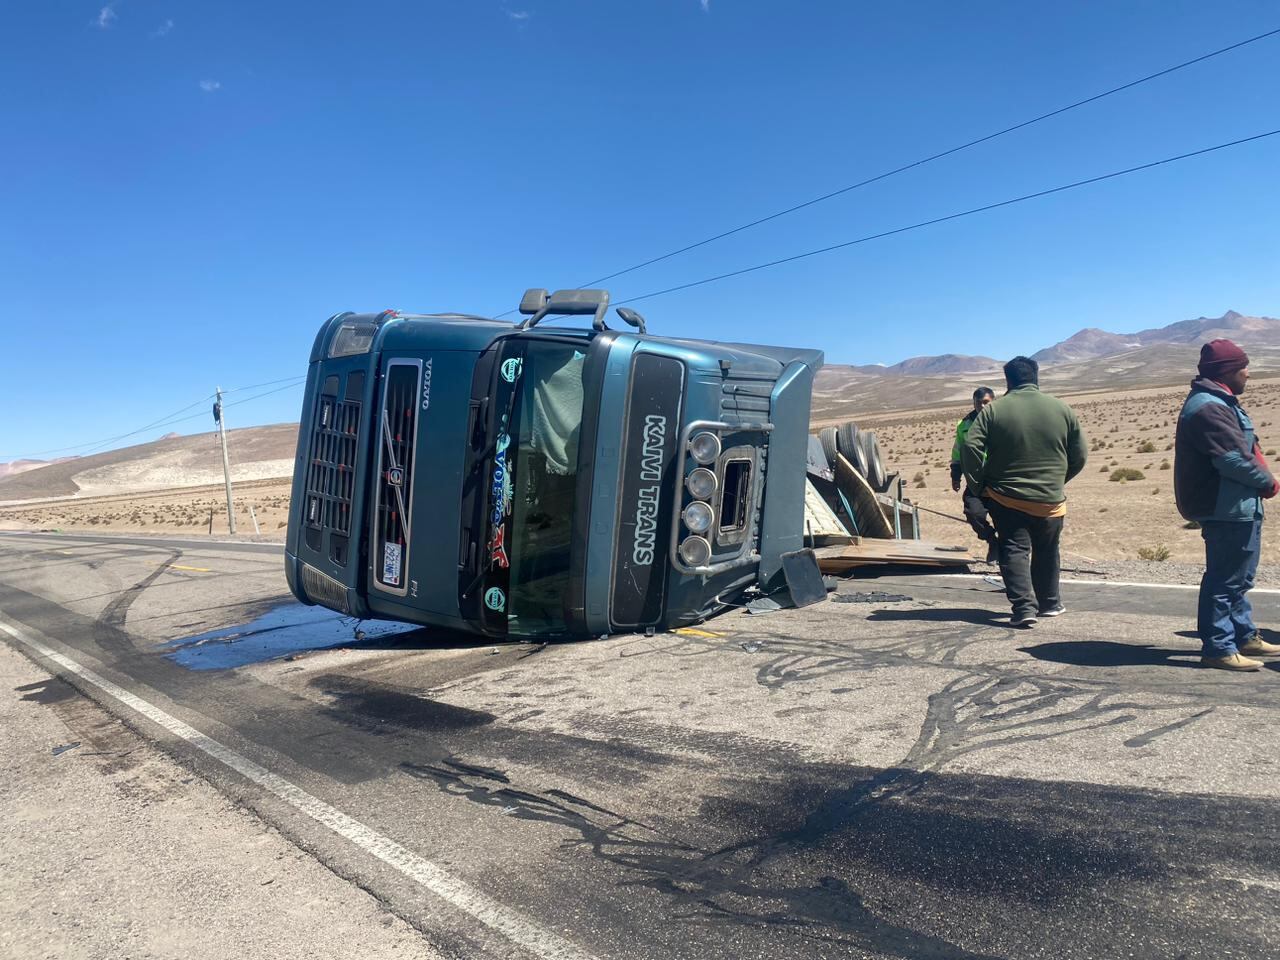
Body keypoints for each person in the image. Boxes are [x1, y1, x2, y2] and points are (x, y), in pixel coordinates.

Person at [1174, 339, 1280, 671]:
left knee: (1238, 576)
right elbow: (1232, 459)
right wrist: (1268, 482)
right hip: (1226, 506)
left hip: (1234, 503)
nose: (1248, 374)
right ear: (1228, 371)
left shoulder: (1220, 402)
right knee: (1226, 578)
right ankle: (1219, 647)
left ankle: (1243, 635)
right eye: (1244, 367)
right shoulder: (1209, 407)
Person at [962, 356, 1087, 627]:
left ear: (1008, 380)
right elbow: (1080, 455)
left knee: (1014, 548)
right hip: (1051, 499)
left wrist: (978, 484)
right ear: (1036, 376)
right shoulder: (1062, 408)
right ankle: (1050, 603)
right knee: (1048, 548)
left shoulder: (994, 411)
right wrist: (1058, 479)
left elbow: (970, 446)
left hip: (1007, 496)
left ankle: (1023, 609)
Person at [951, 387, 999, 562]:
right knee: (973, 513)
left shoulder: (1001, 421)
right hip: (976, 480)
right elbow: (958, 452)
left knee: (1004, 517)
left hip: (1000, 479)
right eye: (979, 403)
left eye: (986, 402)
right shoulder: (964, 425)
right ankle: (992, 540)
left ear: (993, 402)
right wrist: (956, 476)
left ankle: (1008, 556)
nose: (982, 406)